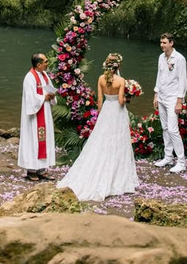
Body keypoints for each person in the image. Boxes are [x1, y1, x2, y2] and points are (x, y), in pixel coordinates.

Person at [56, 53, 139, 201]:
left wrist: (101, 117)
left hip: (106, 110)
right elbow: (120, 101)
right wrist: (130, 98)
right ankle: (116, 176)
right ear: (118, 66)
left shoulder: (101, 79)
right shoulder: (121, 81)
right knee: (117, 141)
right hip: (117, 113)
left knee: (102, 140)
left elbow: (99, 102)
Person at [18, 53, 56, 182]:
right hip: (35, 115)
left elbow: (49, 89)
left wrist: (51, 95)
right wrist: (43, 98)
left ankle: (42, 169)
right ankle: (31, 170)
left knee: (45, 139)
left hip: (45, 112)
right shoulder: (30, 77)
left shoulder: (44, 75)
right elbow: (30, 97)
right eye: (45, 61)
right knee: (33, 139)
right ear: (38, 64)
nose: (47, 63)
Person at [153, 32, 187, 173]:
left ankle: (181, 161)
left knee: (173, 129)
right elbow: (159, 76)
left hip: (173, 98)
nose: (162, 45)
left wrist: (179, 100)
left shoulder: (180, 59)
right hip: (162, 96)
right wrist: (156, 94)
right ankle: (168, 157)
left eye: (164, 43)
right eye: (161, 43)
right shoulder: (161, 57)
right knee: (165, 128)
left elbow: (183, 81)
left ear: (171, 43)